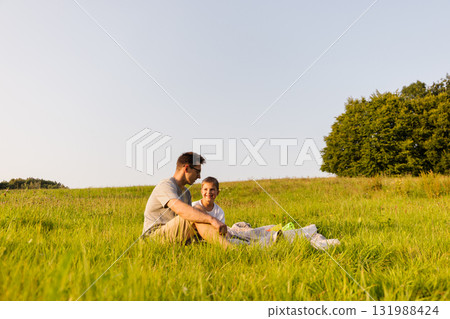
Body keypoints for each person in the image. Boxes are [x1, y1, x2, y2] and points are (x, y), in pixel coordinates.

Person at [192, 176, 340, 249]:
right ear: (201, 191)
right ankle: (275, 236)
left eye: (212, 190)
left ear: (217, 192)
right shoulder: (195, 205)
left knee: (260, 231)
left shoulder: (219, 210)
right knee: (247, 240)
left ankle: (282, 232)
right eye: (205, 190)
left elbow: (223, 230)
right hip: (205, 239)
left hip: (221, 235)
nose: (208, 193)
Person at [142, 152, 229, 248]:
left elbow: (193, 221)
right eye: (197, 171)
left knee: (200, 227)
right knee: (196, 211)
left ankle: (227, 245)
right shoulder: (165, 185)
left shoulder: (186, 193)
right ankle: (230, 249)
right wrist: (212, 220)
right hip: (153, 238)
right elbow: (180, 209)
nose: (199, 176)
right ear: (186, 168)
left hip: (175, 236)